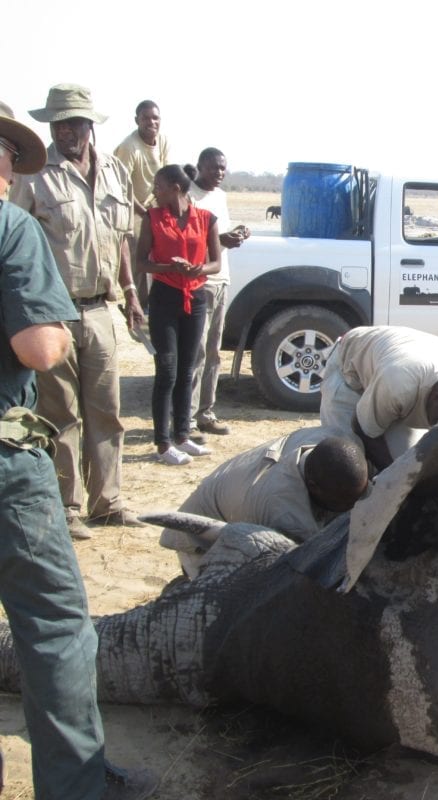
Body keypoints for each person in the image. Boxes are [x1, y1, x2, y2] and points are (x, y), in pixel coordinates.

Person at [0, 100, 156, 800]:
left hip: (100, 305)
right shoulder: (11, 226)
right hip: (7, 458)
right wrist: (53, 331)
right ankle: (75, 786)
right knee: (56, 627)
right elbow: (37, 345)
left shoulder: (111, 176)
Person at [9, 84, 145, 538]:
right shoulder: (33, 175)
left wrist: (130, 292)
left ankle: (108, 501)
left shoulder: (114, 171)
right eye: (59, 122)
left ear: (91, 125)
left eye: (75, 122)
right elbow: (16, 245)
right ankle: (68, 508)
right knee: (60, 414)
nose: (67, 130)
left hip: (102, 310)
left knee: (106, 411)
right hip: (54, 313)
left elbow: (123, 237)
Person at [158, 427, 368, 578]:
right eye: (343, 502)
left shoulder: (341, 440)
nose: (351, 506)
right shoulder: (283, 515)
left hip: (240, 496)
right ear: (313, 486)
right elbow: (303, 571)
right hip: (202, 542)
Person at [136, 164, 220, 465]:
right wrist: (171, 268)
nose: (154, 192)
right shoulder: (153, 217)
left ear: (175, 187)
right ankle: (162, 443)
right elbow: (141, 262)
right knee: (167, 370)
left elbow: (215, 264)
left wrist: (197, 269)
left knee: (187, 370)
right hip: (165, 297)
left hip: (195, 297)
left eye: (158, 186)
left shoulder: (206, 219)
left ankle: (183, 436)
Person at [320, 325, 438, 472]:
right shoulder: (399, 384)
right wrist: (398, 482)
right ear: (436, 397)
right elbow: (362, 428)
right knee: (346, 461)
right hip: (350, 370)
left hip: (394, 368)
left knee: (410, 462)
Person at [187, 147, 249, 438]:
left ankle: (205, 413)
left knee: (213, 352)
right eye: (213, 168)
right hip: (199, 282)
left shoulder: (220, 197)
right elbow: (185, 239)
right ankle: (185, 418)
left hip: (221, 278)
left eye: (223, 169)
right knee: (195, 352)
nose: (219, 173)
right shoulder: (188, 195)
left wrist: (236, 234)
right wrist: (217, 239)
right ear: (200, 167)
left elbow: (220, 235)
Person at [113, 100, 169, 307]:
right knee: (141, 262)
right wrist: (144, 213)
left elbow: (168, 176)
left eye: (155, 118)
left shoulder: (163, 141)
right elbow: (121, 186)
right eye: (146, 118)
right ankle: (138, 306)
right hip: (133, 210)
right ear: (137, 120)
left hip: (155, 208)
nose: (151, 122)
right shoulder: (129, 147)